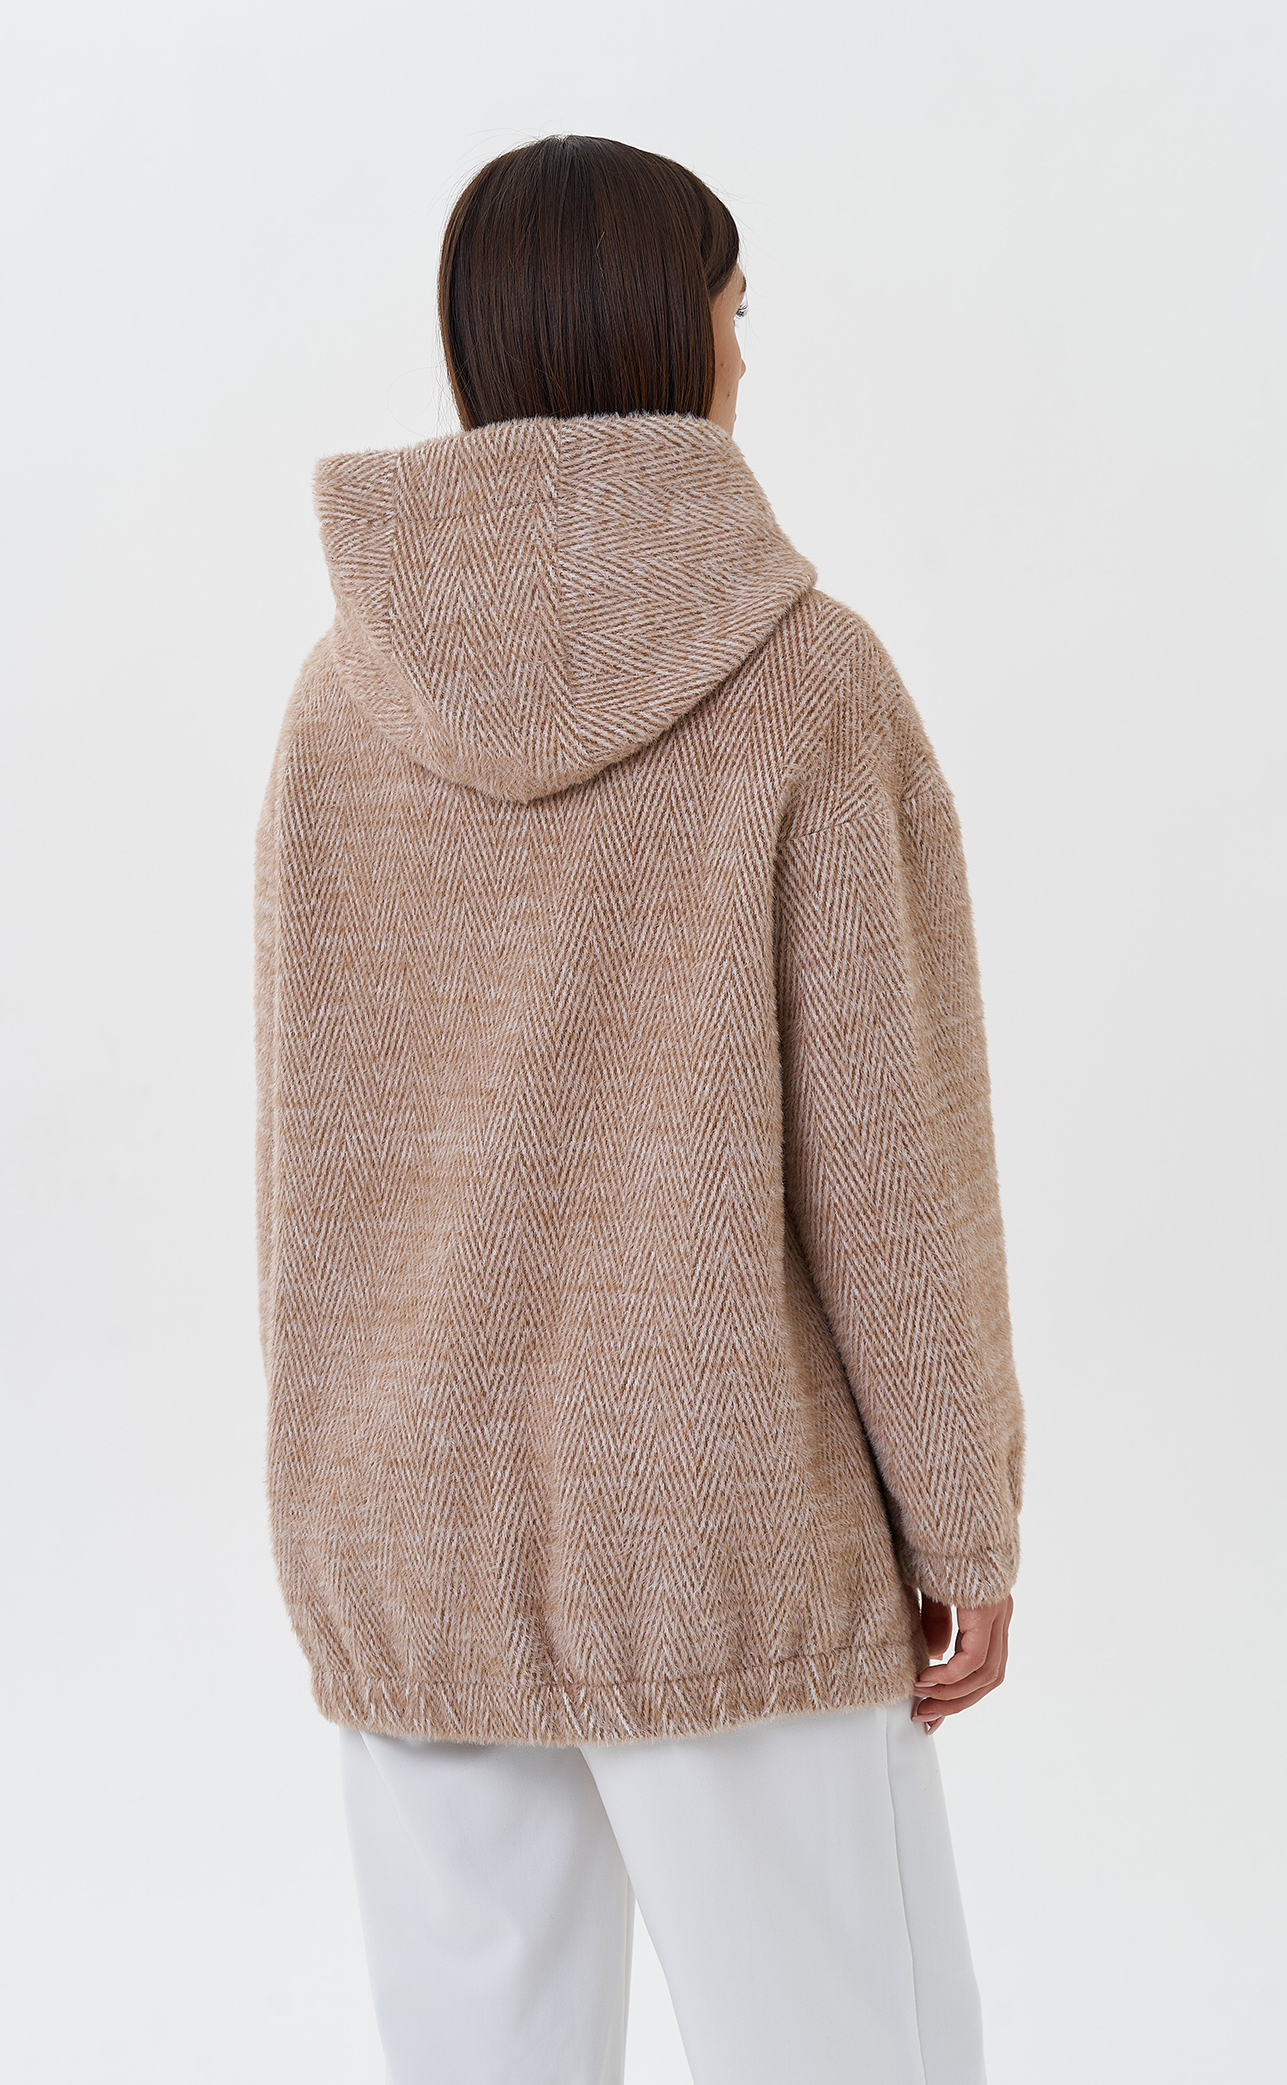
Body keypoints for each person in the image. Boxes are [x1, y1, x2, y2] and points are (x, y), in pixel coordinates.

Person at [254, 133, 1023, 2085]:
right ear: (669, 331)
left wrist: (336, 1524)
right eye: (734, 310)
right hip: (722, 1528)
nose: (745, 354)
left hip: (414, 1530)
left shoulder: (338, 705)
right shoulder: (804, 683)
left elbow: (306, 1167)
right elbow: (888, 1156)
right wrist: (961, 1510)